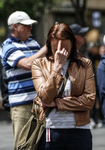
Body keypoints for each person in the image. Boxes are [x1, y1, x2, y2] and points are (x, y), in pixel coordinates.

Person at [31, 22, 95, 150]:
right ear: (49, 44)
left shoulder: (85, 64)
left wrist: (57, 104)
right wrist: (57, 68)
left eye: (65, 48)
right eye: (55, 48)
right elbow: (45, 98)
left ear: (72, 43)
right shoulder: (39, 64)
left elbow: (89, 101)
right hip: (52, 130)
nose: (60, 52)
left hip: (79, 131)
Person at [0, 11, 47, 150]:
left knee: (40, 144)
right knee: (23, 145)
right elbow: (26, 64)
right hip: (21, 105)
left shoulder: (34, 43)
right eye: (27, 25)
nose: (30, 28)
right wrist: (46, 48)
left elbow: (43, 66)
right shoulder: (7, 45)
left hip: (39, 103)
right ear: (15, 26)